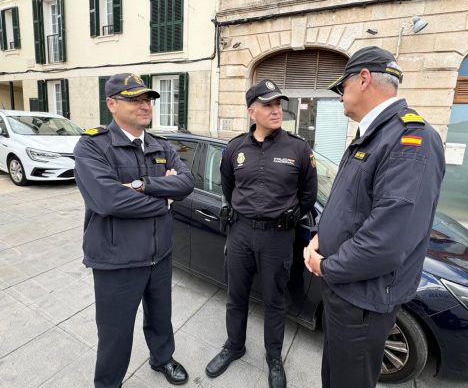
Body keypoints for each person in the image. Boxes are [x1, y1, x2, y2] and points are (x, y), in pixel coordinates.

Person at [304, 46, 445, 388]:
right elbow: (350, 204)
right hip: (347, 292)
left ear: (363, 79)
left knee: (348, 381)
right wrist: (321, 236)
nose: (340, 97)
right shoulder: (376, 133)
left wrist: (326, 267)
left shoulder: (410, 140)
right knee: (335, 374)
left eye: (342, 87)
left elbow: (386, 241)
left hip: (362, 298)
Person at [74, 73, 194, 388]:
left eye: (147, 99)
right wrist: (164, 200)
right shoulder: (93, 146)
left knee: (160, 318)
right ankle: (109, 383)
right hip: (117, 261)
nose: (144, 105)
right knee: (115, 333)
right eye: (134, 99)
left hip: (159, 255)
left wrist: (143, 186)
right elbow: (109, 200)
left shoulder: (161, 145)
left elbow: (186, 183)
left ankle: (162, 358)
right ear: (111, 104)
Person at [205, 79, 318, 388]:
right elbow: (228, 186)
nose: (276, 110)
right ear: (251, 111)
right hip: (240, 233)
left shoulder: (298, 148)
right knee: (235, 297)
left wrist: (288, 215)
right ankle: (234, 346)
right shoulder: (235, 148)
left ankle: (274, 357)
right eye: (268, 105)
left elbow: (309, 195)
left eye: (278, 104)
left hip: (278, 237)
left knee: (275, 301)